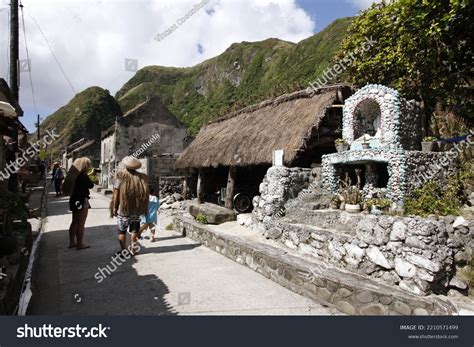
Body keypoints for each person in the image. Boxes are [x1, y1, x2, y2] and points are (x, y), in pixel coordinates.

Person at [110, 157, 149, 256]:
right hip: (136, 210)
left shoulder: (119, 177)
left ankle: (123, 252)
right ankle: (133, 250)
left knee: (122, 231)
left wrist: (114, 207)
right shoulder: (142, 178)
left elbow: (116, 193)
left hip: (124, 210)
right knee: (134, 231)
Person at [64, 157, 94, 250]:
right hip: (82, 199)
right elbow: (91, 185)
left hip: (74, 199)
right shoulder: (83, 176)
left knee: (74, 221)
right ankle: (80, 244)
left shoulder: (74, 175)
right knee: (81, 223)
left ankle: (72, 242)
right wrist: (88, 175)